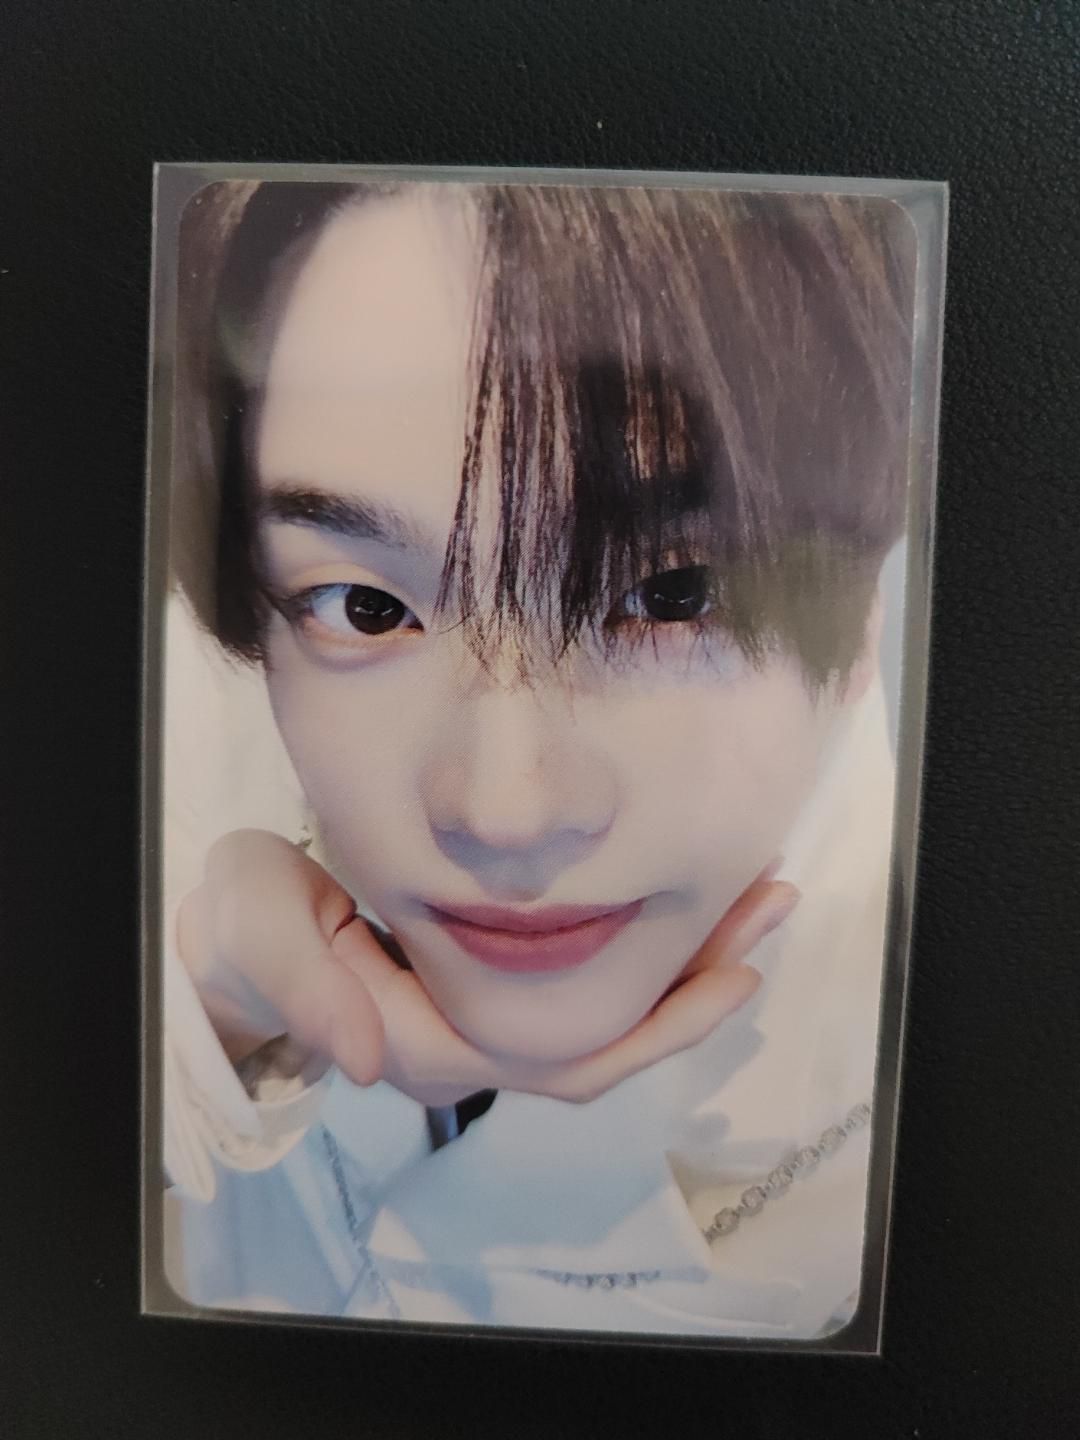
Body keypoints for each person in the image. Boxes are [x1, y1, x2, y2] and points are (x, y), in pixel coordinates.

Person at [159, 177, 916, 1338]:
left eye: (671, 596)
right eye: (365, 607)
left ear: (863, 618)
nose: (503, 813)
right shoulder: (153, 752)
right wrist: (213, 997)